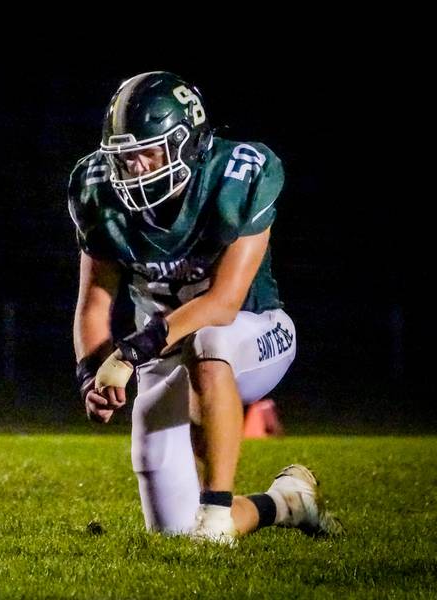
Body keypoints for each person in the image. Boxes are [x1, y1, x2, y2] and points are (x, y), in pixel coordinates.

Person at [69, 71, 342, 545]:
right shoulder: (97, 192)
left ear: (189, 144)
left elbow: (223, 302)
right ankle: (289, 502)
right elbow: (94, 301)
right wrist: (91, 374)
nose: (134, 168)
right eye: (123, 157)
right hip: (159, 353)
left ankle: (216, 507)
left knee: (210, 343)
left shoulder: (239, 173)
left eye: (147, 152)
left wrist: (131, 352)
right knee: (175, 531)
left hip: (252, 332)